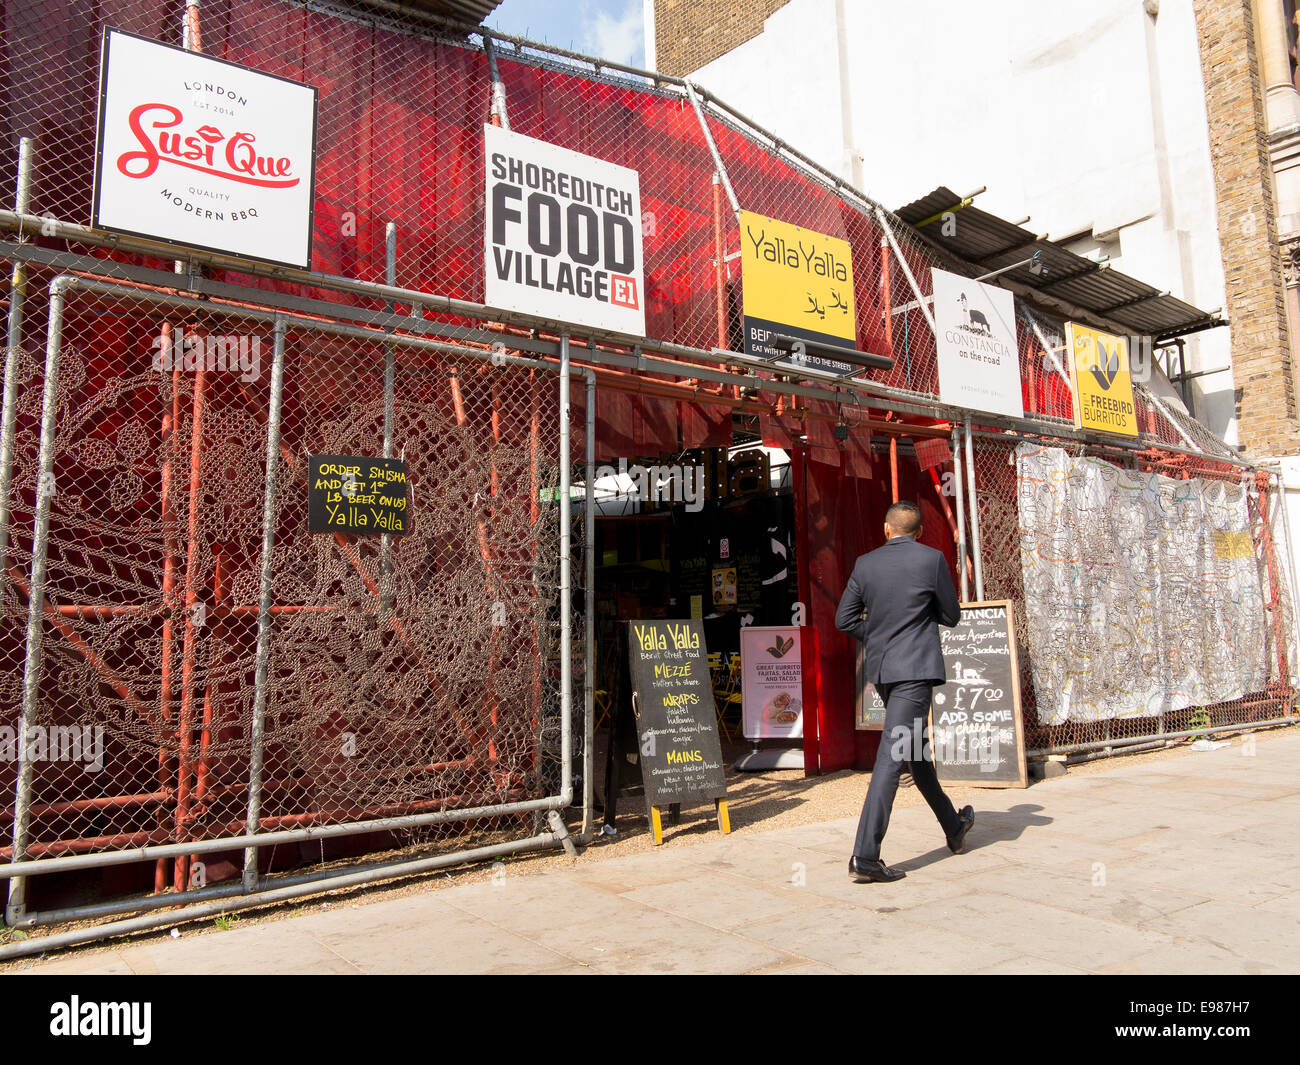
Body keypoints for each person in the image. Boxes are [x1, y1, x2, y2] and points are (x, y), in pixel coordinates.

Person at [835, 500, 974, 883]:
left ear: (886, 528)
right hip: (914, 672)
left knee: (914, 752)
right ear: (920, 531)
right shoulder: (931, 559)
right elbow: (951, 615)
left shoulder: (865, 564)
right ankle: (865, 856)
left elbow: (844, 619)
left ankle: (953, 826)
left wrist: (878, 635)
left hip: (882, 670)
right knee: (892, 759)